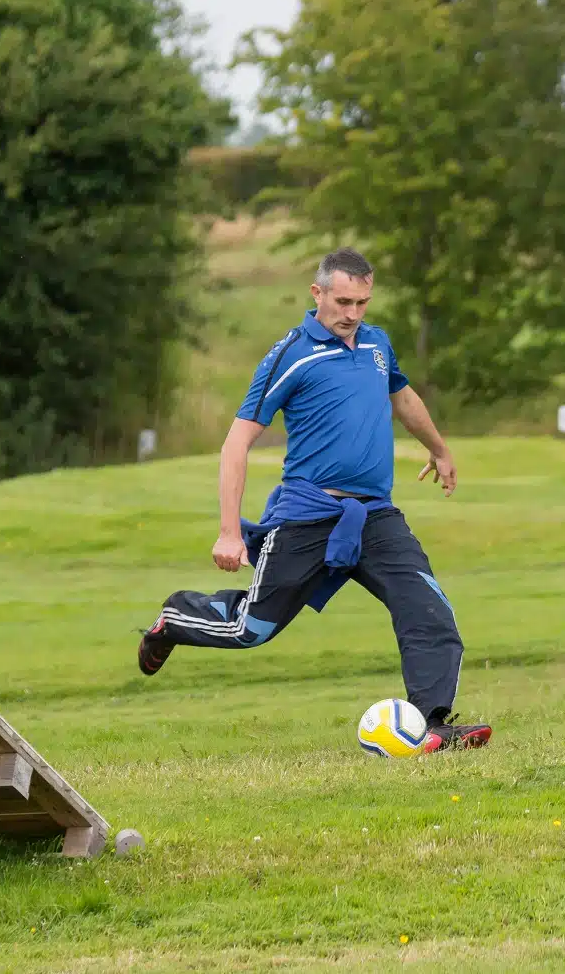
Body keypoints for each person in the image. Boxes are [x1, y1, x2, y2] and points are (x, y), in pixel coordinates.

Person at [137, 247, 492, 752]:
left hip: (374, 516)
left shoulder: (375, 344)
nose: (353, 314)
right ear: (317, 293)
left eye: (363, 302)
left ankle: (432, 724)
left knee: (428, 610)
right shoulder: (291, 354)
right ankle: (174, 619)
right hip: (306, 515)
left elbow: (403, 396)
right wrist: (228, 531)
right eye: (343, 301)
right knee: (251, 630)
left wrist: (439, 449)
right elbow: (236, 443)